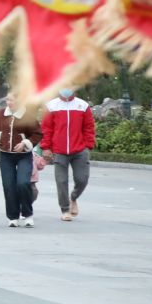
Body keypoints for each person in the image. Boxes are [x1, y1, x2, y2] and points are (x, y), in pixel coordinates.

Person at [40, 87, 95, 221]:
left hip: (80, 150)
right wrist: (46, 147)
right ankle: (65, 209)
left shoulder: (82, 105)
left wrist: (88, 146)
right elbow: (46, 129)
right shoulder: (52, 106)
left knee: (82, 179)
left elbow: (89, 126)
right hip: (59, 151)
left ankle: (73, 198)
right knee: (61, 181)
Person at [0, 95, 38, 228]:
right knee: (9, 186)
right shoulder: (2, 114)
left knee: (23, 183)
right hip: (6, 155)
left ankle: (27, 214)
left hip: (24, 155)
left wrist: (25, 143)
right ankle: (13, 217)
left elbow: (37, 133)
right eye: (8, 100)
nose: (9, 102)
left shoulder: (27, 115)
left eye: (12, 100)